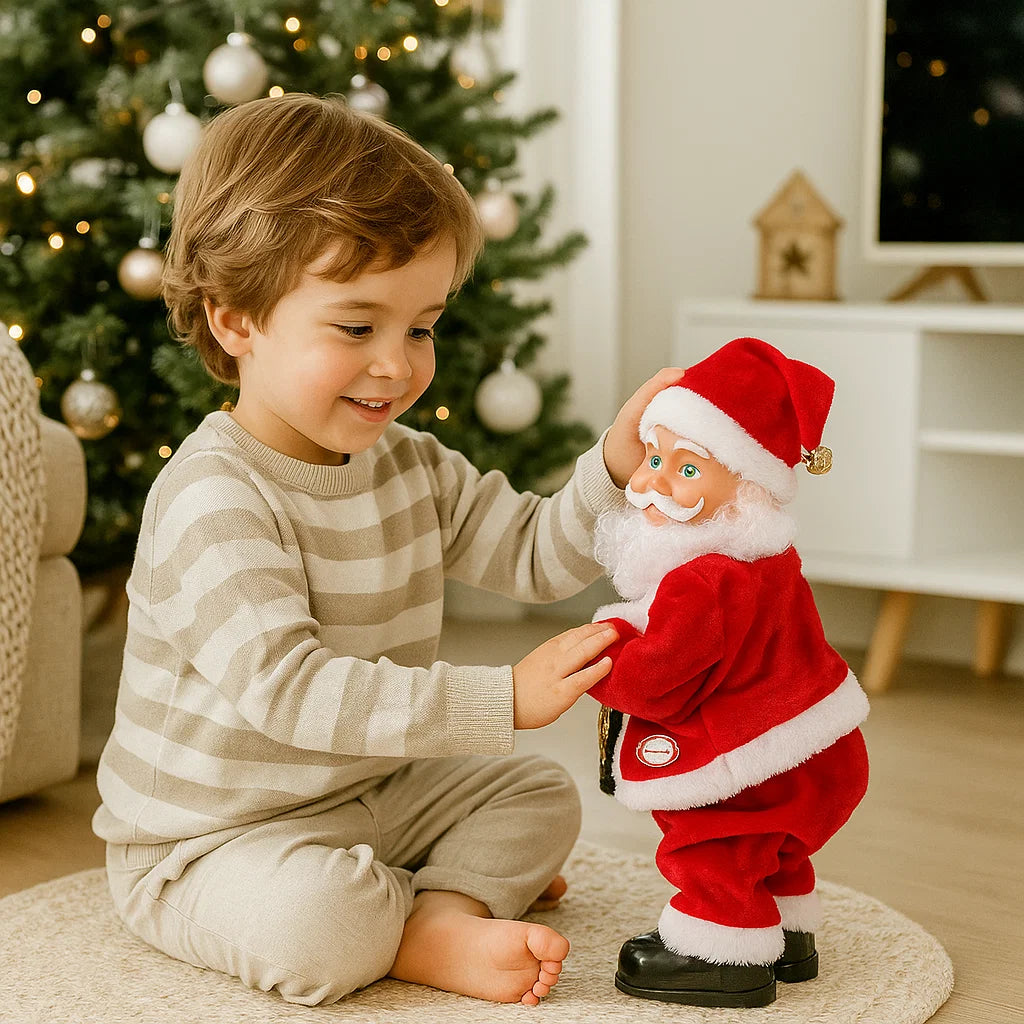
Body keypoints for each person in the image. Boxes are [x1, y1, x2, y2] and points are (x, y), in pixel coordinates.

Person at [92, 92, 679, 1008]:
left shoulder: (409, 464)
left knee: (539, 796)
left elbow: (535, 554)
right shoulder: (214, 496)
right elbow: (289, 690)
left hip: (372, 789)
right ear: (234, 320)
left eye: (422, 327)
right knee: (320, 925)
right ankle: (411, 923)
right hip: (210, 840)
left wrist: (613, 460)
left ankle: (439, 912)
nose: (396, 365)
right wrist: (502, 696)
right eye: (357, 327)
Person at [587, 337, 870, 1008]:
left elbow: (659, 681)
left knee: (717, 840)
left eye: (685, 471)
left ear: (749, 487)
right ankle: (788, 933)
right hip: (819, 755)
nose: (651, 481)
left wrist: (602, 659)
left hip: (745, 769)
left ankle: (722, 949)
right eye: (653, 458)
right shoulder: (771, 563)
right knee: (776, 841)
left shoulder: (702, 581)